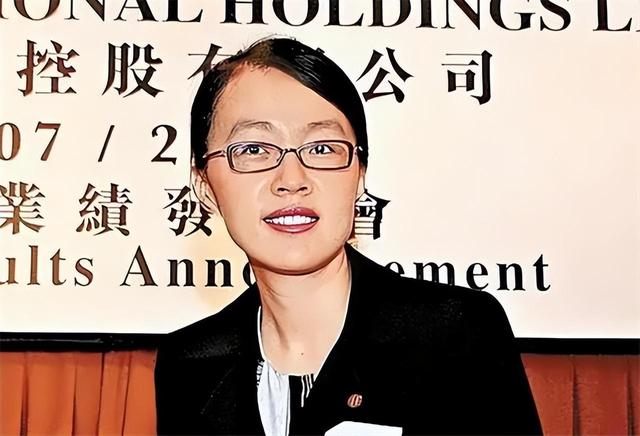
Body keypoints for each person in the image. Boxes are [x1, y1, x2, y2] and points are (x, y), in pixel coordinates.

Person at [154, 37, 542, 436]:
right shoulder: (188, 366)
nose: (292, 180)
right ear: (204, 185)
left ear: (360, 175)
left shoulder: (454, 333)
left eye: (322, 148)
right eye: (254, 149)